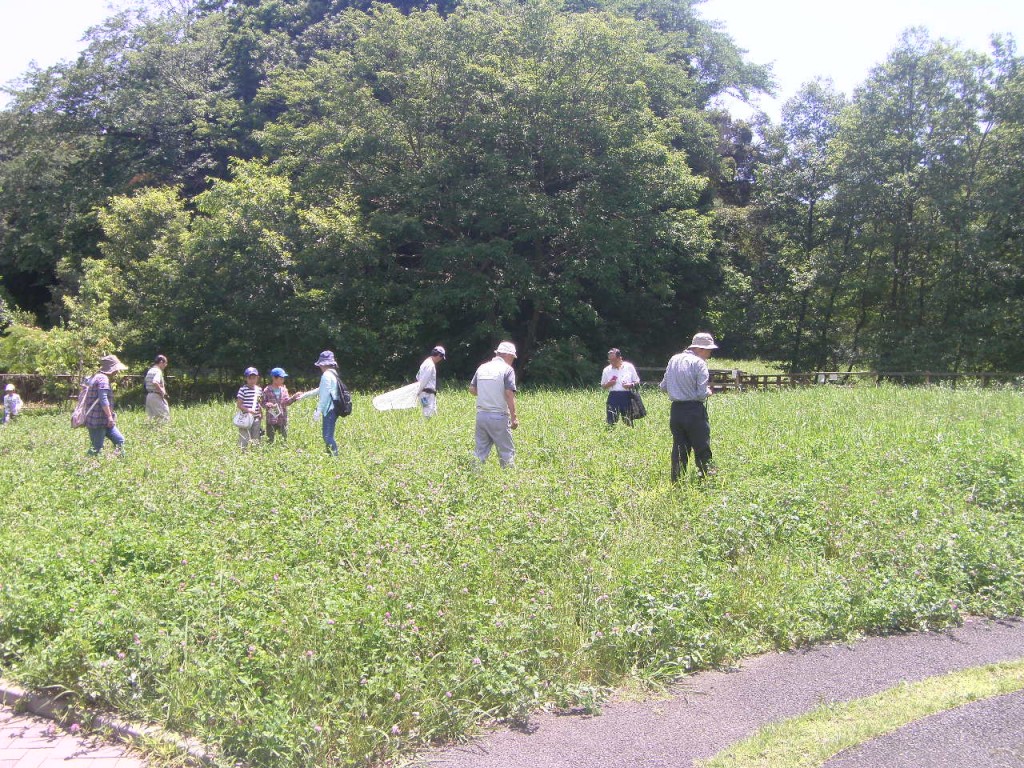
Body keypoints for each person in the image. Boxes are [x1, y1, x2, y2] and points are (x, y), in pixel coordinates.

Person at [660, 332, 718, 481]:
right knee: (702, 447)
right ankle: (706, 479)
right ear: (699, 349)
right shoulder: (699, 363)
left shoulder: (674, 359)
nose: (709, 354)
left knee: (679, 448)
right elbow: (701, 393)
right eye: (708, 350)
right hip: (694, 410)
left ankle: (676, 481)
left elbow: (663, 386)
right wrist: (709, 392)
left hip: (676, 411)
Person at [469, 341, 519, 468]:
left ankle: (472, 477)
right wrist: (514, 417)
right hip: (499, 417)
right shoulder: (507, 370)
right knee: (506, 452)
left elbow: (472, 390)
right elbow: (509, 394)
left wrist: (487, 391)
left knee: (480, 451)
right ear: (508, 355)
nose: (512, 360)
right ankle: (509, 481)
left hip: (481, 416)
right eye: (513, 357)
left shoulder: (482, 367)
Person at [84, 355, 129, 456]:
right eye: (116, 369)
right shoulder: (103, 379)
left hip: (103, 420)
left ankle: (122, 464)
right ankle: (85, 466)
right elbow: (103, 398)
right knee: (96, 448)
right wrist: (110, 417)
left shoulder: (96, 376)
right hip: (98, 420)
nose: (117, 371)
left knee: (120, 440)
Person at [261, 367, 311, 444]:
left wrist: (294, 397)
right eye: (281, 378)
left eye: (283, 378)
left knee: (284, 439)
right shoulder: (267, 390)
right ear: (274, 378)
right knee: (270, 439)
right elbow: (262, 403)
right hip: (271, 419)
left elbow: (287, 402)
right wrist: (268, 404)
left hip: (282, 418)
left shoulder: (284, 389)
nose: (283, 380)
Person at [601, 348, 640, 426]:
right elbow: (603, 386)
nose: (612, 362)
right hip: (613, 396)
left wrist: (630, 385)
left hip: (627, 396)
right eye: (610, 360)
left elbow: (637, 381)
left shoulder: (629, 367)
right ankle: (609, 435)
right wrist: (609, 384)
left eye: (614, 360)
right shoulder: (606, 370)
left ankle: (629, 436)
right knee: (611, 421)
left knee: (628, 421)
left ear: (620, 358)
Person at [315, 351, 342, 456]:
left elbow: (325, 396)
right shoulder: (334, 374)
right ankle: (331, 455)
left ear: (323, 364)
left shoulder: (326, 375)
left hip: (329, 409)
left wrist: (318, 411)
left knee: (327, 436)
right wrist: (304, 395)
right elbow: (320, 390)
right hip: (334, 408)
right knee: (327, 435)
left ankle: (334, 457)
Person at [235, 367, 263, 450]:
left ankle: (255, 452)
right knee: (244, 437)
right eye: (249, 378)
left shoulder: (259, 390)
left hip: (256, 417)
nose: (252, 380)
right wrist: (248, 410)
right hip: (245, 418)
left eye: (254, 378)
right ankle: (243, 452)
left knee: (256, 437)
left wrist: (261, 413)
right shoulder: (242, 389)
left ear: (257, 378)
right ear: (246, 378)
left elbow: (259, 403)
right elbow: (239, 404)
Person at [416, 346, 446, 418]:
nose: (441, 359)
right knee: (428, 415)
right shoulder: (430, 365)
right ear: (439, 355)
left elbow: (417, 376)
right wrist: (418, 391)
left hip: (424, 393)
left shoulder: (425, 363)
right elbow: (424, 380)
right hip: (427, 394)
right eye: (441, 357)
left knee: (431, 414)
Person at [144, 354, 170, 422]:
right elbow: (155, 382)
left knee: (151, 418)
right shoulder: (158, 371)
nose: (166, 365)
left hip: (149, 396)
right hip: (156, 396)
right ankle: (162, 432)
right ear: (161, 362)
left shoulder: (150, 370)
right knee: (164, 416)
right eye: (165, 363)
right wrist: (162, 391)